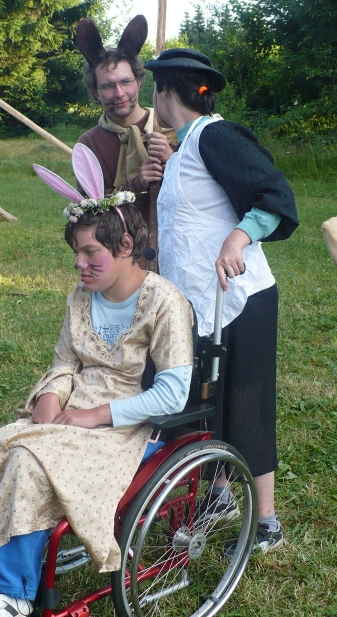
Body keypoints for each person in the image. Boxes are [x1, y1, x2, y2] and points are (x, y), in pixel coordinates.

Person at [0, 186, 194, 617]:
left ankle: (9, 592)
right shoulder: (81, 297)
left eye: (90, 253)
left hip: (131, 425)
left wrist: (96, 415)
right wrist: (50, 395)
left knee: (32, 460)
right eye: (76, 253)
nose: (78, 264)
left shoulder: (164, 302)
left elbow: (173, 393)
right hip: (76, 406)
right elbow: (66, 360)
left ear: (126, 246)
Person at [143, 48, 299, 553]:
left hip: (241, 300)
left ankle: (267, 523)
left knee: (245, 404)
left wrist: (239, 236)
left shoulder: (217, 136)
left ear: (165, 92)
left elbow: (274, 196)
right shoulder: (185, 147)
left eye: (153, 90)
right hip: (199, 303)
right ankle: (220, 494)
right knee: (206, 401)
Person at [75, 15, 177, 227]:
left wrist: (174, 160)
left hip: (174, 238)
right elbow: (91, 207)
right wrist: (136, 184)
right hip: (121, 242)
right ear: (95, 91)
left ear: (138, 82)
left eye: (126, 82)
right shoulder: (89, 144)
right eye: (108, 86)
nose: (119, 93)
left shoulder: (171, 128)